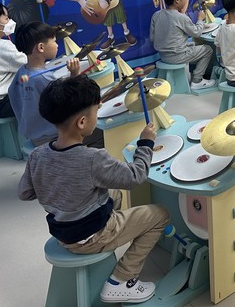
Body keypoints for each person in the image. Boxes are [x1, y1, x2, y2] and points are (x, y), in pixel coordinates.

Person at [18, 75, 169, 304]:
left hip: (62, 231)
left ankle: (117, 231)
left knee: (114, 194)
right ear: (82, 122)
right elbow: (135, 176)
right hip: (90, 236)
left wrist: (55, 184)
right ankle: (121, 280)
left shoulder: (37, 155)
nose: (96, 117)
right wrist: (146, 143)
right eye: (95, 112)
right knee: (160, 214)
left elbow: (25, 193)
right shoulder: (92, 158)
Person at [9, 22, 80, 145]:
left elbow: (13, 94)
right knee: (100, 133)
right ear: (41, 47)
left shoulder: (22, 71)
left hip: (34, 134)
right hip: (53, 137)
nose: (57, 45)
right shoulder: (42, 78)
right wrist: (74, 75)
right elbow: (70, 103)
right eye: (54, 41)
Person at [150, 0, 216, 90]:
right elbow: (197, 33)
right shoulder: (181, 17)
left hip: (163, 56)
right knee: (207, 49)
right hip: (177, 56)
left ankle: (194, 74)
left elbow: (152, 38)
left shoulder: (156, 15)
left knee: (192, 44)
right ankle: (197, 80)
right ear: (177, 0)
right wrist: (200, 19)